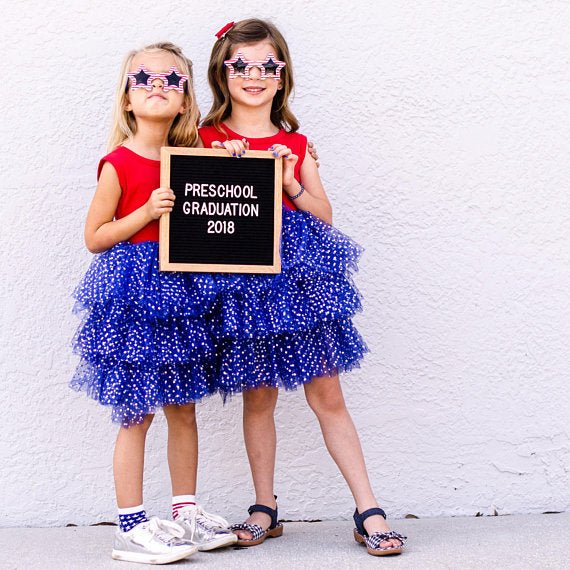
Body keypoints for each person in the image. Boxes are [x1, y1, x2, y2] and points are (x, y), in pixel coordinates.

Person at [199, 19, 407, 557]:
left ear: (281, 73)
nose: (254, 75)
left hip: (297, 279)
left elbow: (323, 214)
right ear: (223, 71)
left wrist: (288, 178)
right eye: (241, 65)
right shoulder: (203, 136)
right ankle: (264, 506)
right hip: (242, 280)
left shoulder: (295, 141)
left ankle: (368, 508)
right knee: (258, 395)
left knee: (327, 392)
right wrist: (224, 166)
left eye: (267, 65)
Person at [70, 42, 238, 564]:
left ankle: (184, 514)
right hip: (136, 295)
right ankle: (131, 524)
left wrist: (233, 160)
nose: (158, 86)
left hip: (182, 293)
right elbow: (95, 236)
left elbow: (226, 204)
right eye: (144, 78)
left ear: (187, 99)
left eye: (172, 80)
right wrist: (145, 212)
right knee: (136, 414)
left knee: (183, 408)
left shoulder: (192, 160)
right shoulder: (118, 163)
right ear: (126, 99)